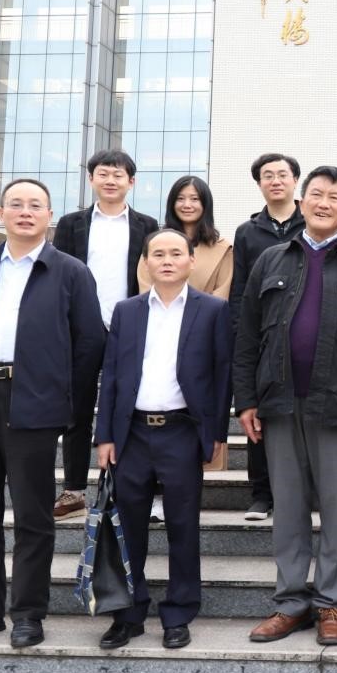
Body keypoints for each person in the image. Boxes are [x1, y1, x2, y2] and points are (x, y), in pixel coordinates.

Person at [0, 179, 104, 649]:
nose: (25, 211)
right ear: (0, 213)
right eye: (16, 204)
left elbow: (90, 342)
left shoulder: (70, 272)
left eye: (35, 205)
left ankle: (28, 613)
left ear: (49, 215)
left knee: (33, 516)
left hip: (34, 402)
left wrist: (62, 396)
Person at [234, 166, 337, 647]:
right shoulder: (271, 260)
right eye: (316, 195)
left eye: (334, 197)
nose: (323, 203)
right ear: (302, 203)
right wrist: (246, 400)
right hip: (279, 403)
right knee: (288, 509)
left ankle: (332, 603)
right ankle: (290, 603)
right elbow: (246, 336)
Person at [95, 229, 232, 651]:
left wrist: (216, 435)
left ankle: (178, 613)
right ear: (146, 263)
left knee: (183, 527)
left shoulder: (212, 310)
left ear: (192, 261)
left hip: (182, 431)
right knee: (128, 527)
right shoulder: (127, 311)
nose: (167, 260)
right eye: (158, 254)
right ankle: (128, 614)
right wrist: (105, 436)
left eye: (176, 253)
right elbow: (111, 374)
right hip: (132, 433)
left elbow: (222, 374)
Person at [52, 149, 158, 521]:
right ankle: (74, 490)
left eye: (118, 175)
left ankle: (130, 489)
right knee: (77, 410)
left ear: (132, 181)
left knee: (132, 409)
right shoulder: (71, 224)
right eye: (103, 173)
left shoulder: (147, 224)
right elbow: (58, 278)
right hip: (82, 328)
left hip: (129, 325)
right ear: (91, 179)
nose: (110, 180)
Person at [137, 175, 233, 523]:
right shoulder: (155, 241)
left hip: (201, 339)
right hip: (157, 332)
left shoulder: (223, 247)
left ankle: (182, 495)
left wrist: (194, 317)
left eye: (195, 198)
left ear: (205, 204)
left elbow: (223, 290)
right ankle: (156, 494)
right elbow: (146, 285)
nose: (188, 204)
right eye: (181, 198)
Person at [229, 153, 305, 522]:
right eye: (267, 176)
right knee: (259, 414)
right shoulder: (248, 232)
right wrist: (239, 333)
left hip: (305, 333)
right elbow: (241, 289)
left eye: (282, 174)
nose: (275, 181)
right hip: (263, 335)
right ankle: (261, 493)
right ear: (259, 184)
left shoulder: (311, 222)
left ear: (295, 181)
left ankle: (303, 490)